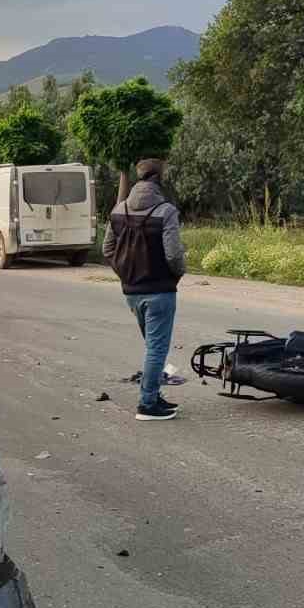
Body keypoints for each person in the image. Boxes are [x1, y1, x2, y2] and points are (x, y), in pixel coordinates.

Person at [104, 157, 185, 421]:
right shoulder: (166, 211)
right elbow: (173, 255)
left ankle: (153, 396)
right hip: (160, 290)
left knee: (153, 346)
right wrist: (178, 273)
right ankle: (147, 404)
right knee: (156, 348)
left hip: (131, 292)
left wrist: (125, 274)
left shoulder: (119, 210)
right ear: (160, 180)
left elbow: (107, 249)